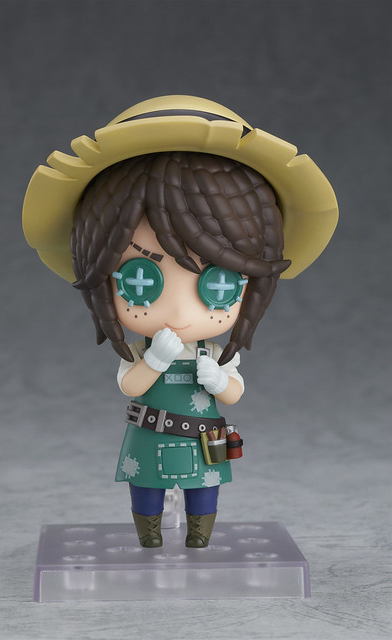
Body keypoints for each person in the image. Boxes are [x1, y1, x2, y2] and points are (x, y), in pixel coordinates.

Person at [23, 96, 338, 548]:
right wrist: (153, 361)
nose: (179, 311)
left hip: (203, 440)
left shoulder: (214, 353)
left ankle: (199, 535)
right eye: (142, 279)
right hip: (148, 435)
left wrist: (218, 379)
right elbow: (129, 385)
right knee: (146, 486)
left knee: (204, 489)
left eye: (218, 282)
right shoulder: (140, 351)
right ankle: (149, 536)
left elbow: (235, 392)